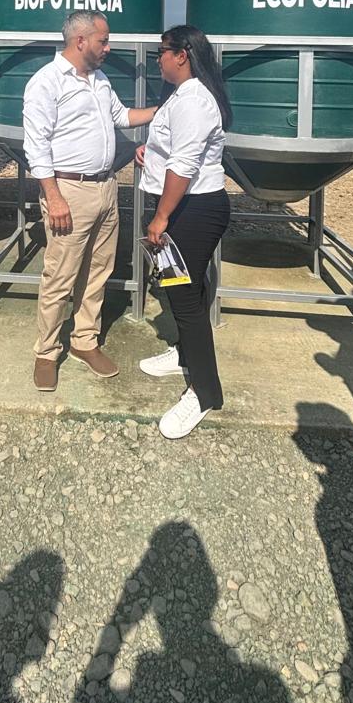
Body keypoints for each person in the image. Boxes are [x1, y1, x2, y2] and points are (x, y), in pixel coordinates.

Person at [22, 11, 156, 392]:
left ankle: (84, 341)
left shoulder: (100, 80)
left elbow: (122, 117)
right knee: (60, 275)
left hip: (106, 188)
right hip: (69, 192)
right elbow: (36, 146)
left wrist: (163, 111)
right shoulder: (46, 83)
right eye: (103, 41)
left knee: (98, 270)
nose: (108, 48)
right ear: (80, 41)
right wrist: (54, 197)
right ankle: (47, 352)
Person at [136, 25, 231, 439]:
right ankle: (184, 355)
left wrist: (160, 219)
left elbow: (185, 165)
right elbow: (173, 150)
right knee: (183, 290)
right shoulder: (181, 96)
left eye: (162, 51)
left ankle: (204, 393)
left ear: (182, 55)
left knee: (184, 297)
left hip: (194, 210)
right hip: (185, 206)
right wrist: (150, 152)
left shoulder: (194, 100)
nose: (157, 59)